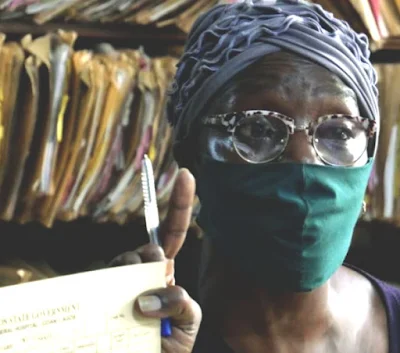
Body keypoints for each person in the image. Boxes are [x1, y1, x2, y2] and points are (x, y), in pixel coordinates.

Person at [112, 1, 400, 352]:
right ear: (191, 156)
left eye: (338, 133)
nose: (304, 163)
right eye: (258, 129)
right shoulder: (143, 328)